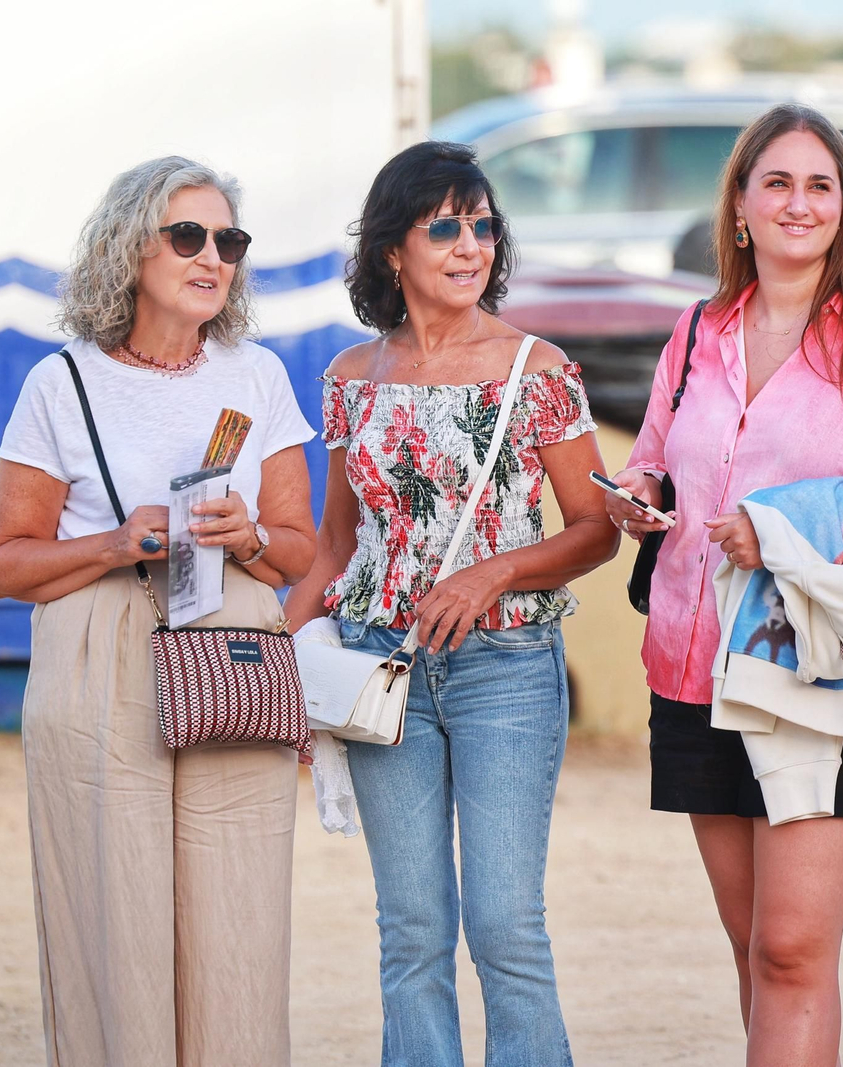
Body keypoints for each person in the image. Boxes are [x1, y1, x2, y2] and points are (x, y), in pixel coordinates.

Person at [606, 104, 843, 1066]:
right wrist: (640, 497)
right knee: (753, 948)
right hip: (692, 672)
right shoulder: (695, 333)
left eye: (821, 185)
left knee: (792, 948)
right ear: (739, 205)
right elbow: (657, 458)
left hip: (827, 680)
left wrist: (788, 538)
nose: (798, 203)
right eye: (777, 182)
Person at [283, 141, 617, 1067]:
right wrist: (281, 636)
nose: (470, 244)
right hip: (377, 665)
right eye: (445, 226)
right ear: (395, 250)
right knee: (412, 930)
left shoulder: (536, 368)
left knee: (505, 926)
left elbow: (595, 528)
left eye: (482, 225)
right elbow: (337, 542)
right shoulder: (354, 377)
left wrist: (493, 573)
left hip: (504, 667)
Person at [0, 156, 318, 1067]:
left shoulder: (258, 376)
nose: (214, 257)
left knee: (240, 919)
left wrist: (248, 534)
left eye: (230, 241)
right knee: (114, 914)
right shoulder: (62, 382)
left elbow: (303, 551)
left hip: (234, 649)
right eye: (189, 236)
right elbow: (4, 565)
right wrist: (119, 542)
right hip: (101, 656)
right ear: (131, 248)